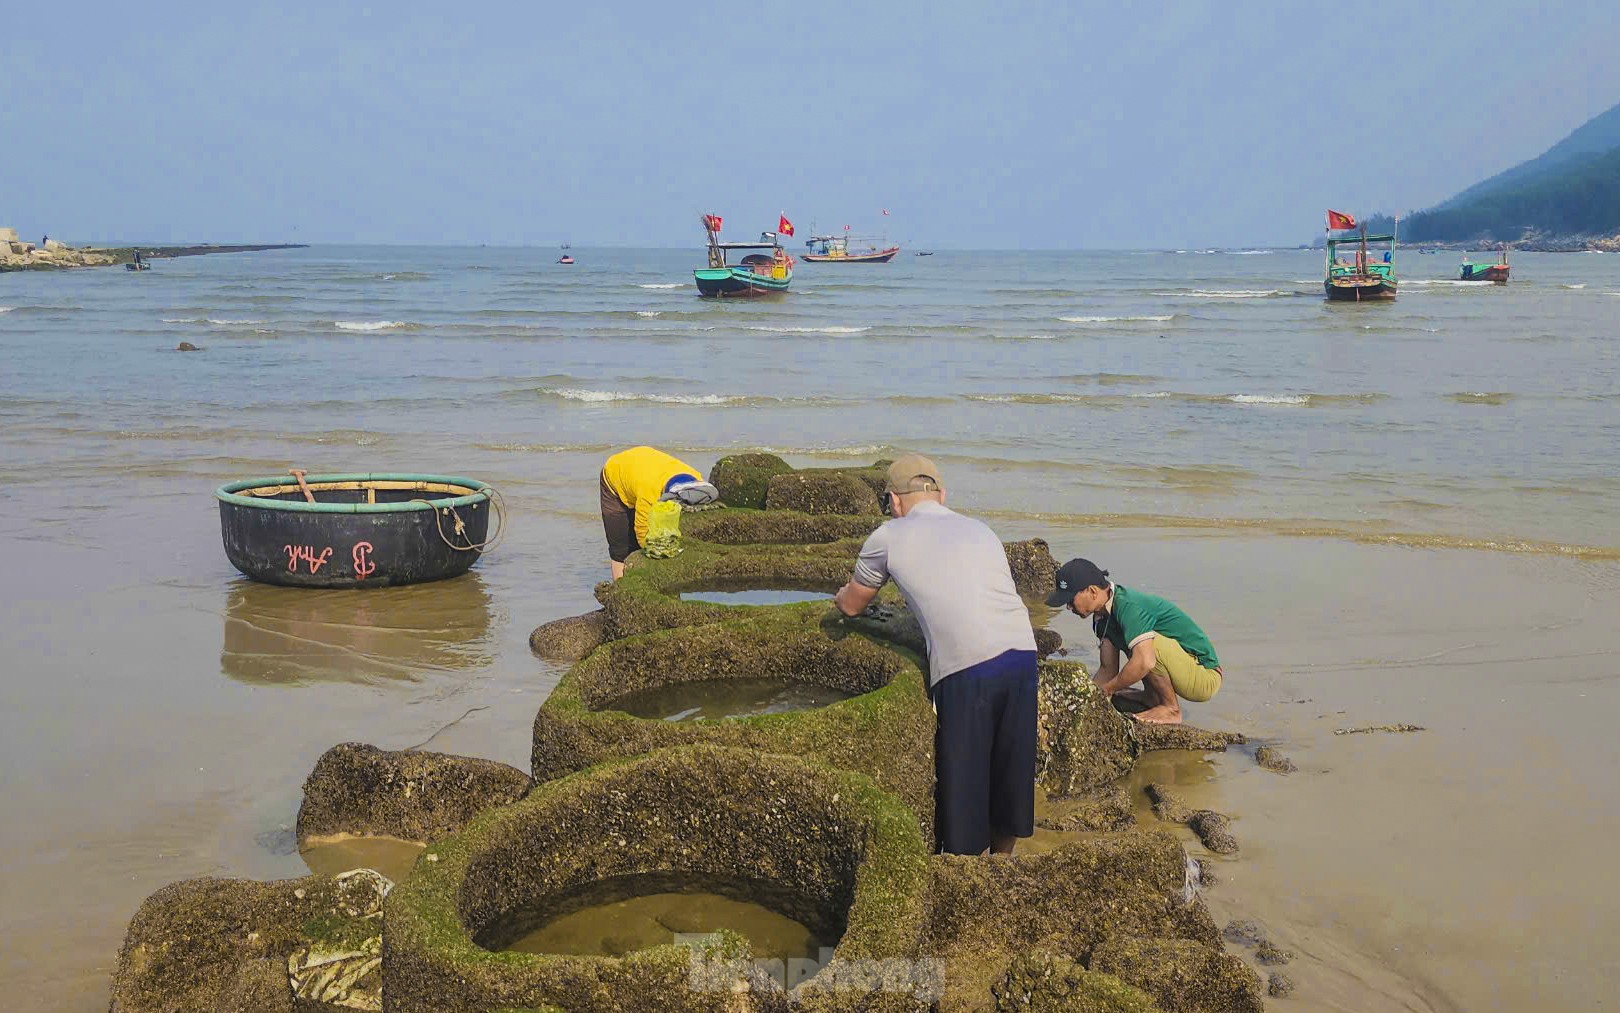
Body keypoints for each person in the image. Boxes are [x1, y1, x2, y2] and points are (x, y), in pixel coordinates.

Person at [833, 454, 1037, 856]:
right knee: (1009, 772)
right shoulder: (980, 529)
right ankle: (1003, 864)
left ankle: (966, 871)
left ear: (894, 501)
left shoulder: (888, 536)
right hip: (1022, 652)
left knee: (966, 781)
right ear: (942, 495)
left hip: (965, 666)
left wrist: (840, 596)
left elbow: (853, 605)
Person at [1045, 558, 1222, 725]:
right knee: (1140, 650)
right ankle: (1153, 697)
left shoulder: (1128, 606)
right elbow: (1108, 669)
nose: (1068, 607)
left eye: (1070, 599)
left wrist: (1108, 690)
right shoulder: (1101, 618)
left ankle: (1171, 708)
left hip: (1204, 675)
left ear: (1092, 591)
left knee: (1146, 650)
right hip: (1180, 666)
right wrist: (1086, 699)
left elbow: (1146, 661)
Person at [598, 446, 718, 580]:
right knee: (622, 549)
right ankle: (621, 590)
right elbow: (642, 532)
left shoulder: (696, 481)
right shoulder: (649, 492)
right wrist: (658, 556)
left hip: (643, 465)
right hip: (615, 476)